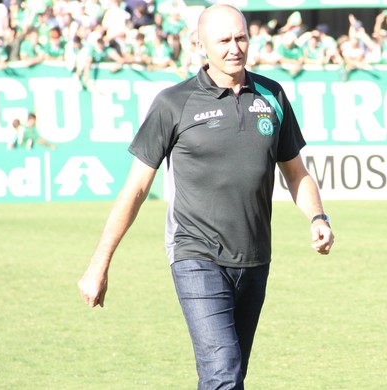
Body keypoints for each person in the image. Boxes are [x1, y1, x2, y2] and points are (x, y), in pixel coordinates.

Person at [77, 4, 335, 390]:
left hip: (254, 260)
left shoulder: (273, 94)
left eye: (242, 38)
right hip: (195, 256)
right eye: (224, 40)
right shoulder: (173, 103)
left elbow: (296, 173)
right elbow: (135, 189)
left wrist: (318, 218)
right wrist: (99, 263)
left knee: (230, 375)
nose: (235, 48)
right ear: (201, 46)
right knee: (223, 375)